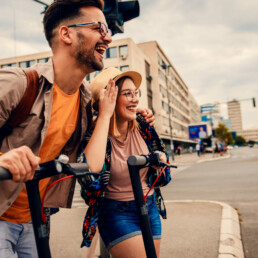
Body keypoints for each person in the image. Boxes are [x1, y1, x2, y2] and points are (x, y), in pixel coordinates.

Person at [0, 1, 155, 257]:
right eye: (98, 28)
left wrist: (133, 113)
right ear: (66, 34)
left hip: (34, 220)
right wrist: (4, 159)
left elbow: (96, 157)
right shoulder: (18, 84)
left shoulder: (83, 102)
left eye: (106, 29)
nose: (107, 36)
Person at [77, 67, 171, 258]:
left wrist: (160, 160)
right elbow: (89, 180)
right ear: (108, 98)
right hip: (117, 213)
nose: (135, 99)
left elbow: (164, 175)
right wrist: (104, 115)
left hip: (149, 206)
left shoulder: (143, 125)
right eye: (127, 94)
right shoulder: (94, 134)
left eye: (136, 93)